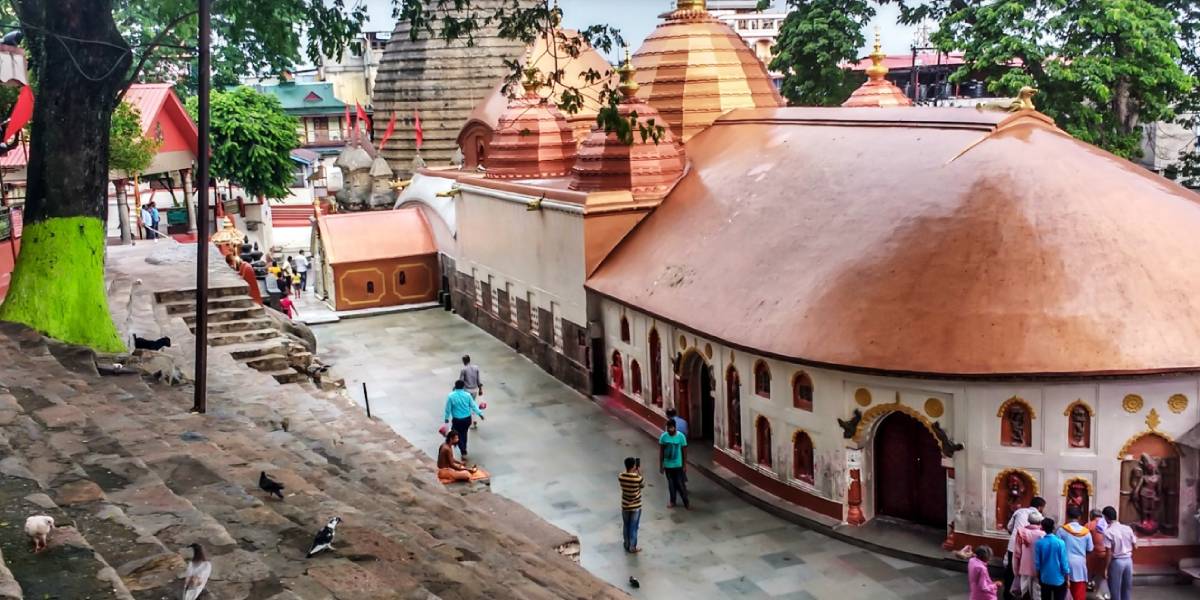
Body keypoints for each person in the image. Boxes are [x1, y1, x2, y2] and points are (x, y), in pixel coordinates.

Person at [1006, 496, 1047, 597]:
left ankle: (1009, 594)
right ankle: (1027, 593)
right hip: (1029, 548)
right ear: (1040, 507)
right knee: (1029, 573)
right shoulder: (1040, 517)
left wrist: (1017, 534)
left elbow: (1009, 527)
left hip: (1013, 545)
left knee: (1011, 570)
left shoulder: (1019, 511)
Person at [1057, 505, 1093, 600]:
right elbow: (1090, 549)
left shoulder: (1061, 530)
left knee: (1063, 593)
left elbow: (1057, 548)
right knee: (1079, 592)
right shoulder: (1086, 532)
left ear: (1067, 516)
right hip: (1080, 564)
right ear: (1079, 517)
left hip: (1064, 563)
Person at [1102, 506, 1136, 600]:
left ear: (1106, 518)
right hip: (1128, 560)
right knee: (1127, 588)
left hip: (1117, 561)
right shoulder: (1127, 528)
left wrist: (1106, 568)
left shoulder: (1108, 532)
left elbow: (1109, 552)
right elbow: (1135, 546)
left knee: (1115, 589)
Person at [443, 380, 484, 457]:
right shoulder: (467, 395)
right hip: (467, 419)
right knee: (464, 434)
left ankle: (462, 449)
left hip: (457, 420)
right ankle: (463, 448)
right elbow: (473, 406)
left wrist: (446, 418)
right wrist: (480, 414)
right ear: (463, 386)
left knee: (455, 434)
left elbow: (448, 408)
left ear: (455, 386)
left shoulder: (451, 396)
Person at [1013, 510, 1046, 600]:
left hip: (1024, 566)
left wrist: (1016, 570)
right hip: (1038, 568)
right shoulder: (1043, 534)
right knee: (1037, 593)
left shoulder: (1021, 532)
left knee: (1025, 591)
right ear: (1040, 522)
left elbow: (1017, 553)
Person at [1034, 517, 1070, 600]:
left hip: (1045, 577)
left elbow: (1037, 563)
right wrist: (1067, 578)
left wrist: (1038, 576)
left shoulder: (1039, 543)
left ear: (1042, 528)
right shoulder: (1060, 543)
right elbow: (1064, 563)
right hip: (1059, 579)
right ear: (1053, 527)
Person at [659, 418, 689, 509]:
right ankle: (673, 501)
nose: (669, 430)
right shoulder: (663, 437)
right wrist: (661, 465)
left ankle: (686, 502)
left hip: (678, 465)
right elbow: (661, 452)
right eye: (668, 428)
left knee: (680, 484)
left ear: (675, 427)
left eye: (671, 428)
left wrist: (684, 465)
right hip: (668, 465)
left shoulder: (681, 437)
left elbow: (684, 452)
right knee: (671, 484)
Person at [618, 456, 644, 554]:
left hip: (625, 505)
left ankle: (626, 543)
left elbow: (624, 474)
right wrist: (638, 471)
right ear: (634, 466)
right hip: (636, 506)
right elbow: (643, 484)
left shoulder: (621, 476)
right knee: (633, 526)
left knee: (626, 525)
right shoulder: (637, 478)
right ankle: (632, 547)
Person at [1085, 508, 1109, 600]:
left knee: (1089, 573)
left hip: (1093, 554)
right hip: (1106, 553)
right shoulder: (1107, 524)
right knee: (1103, 574)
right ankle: (1103, 593)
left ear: (1091, 516)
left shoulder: (1089, 525)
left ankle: (1091, 586)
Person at [459, 355, 483, 428]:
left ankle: (471, 421)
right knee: (473, 404)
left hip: (467, 390)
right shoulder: (476, 368)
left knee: (467, 406)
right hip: (474, 390)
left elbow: (461, 381)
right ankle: (474, 420)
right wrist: (480, 389)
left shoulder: (464, 369)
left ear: (464, 361)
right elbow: (478, 379)